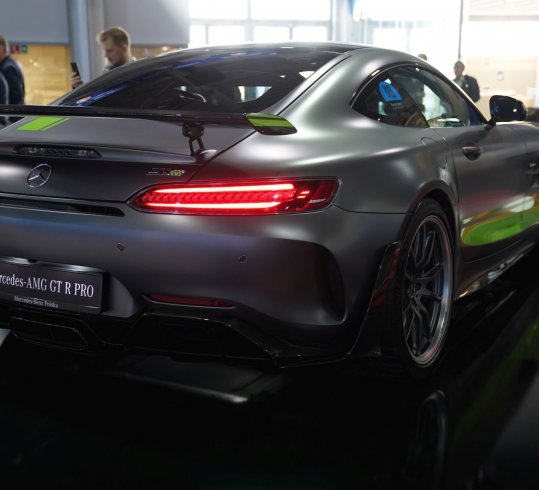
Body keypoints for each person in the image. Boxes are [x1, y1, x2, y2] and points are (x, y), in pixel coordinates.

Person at [0, 35, 25, 105]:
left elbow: (16, 97)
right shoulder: (5, 65)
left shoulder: (8, 68)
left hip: (11, 110)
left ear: (1, 49)